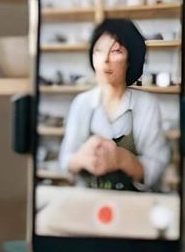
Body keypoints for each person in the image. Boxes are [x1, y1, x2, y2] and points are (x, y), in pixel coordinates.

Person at [61, 17, 172, 193]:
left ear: (130, 59)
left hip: (133, 205)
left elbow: (156, 166)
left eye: (116, 51)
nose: (105, 59)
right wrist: (82, 158)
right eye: (99, 50)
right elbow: (65, 160)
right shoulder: (81, 103)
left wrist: (122, 159)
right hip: (88, 202)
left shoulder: (146, 105)